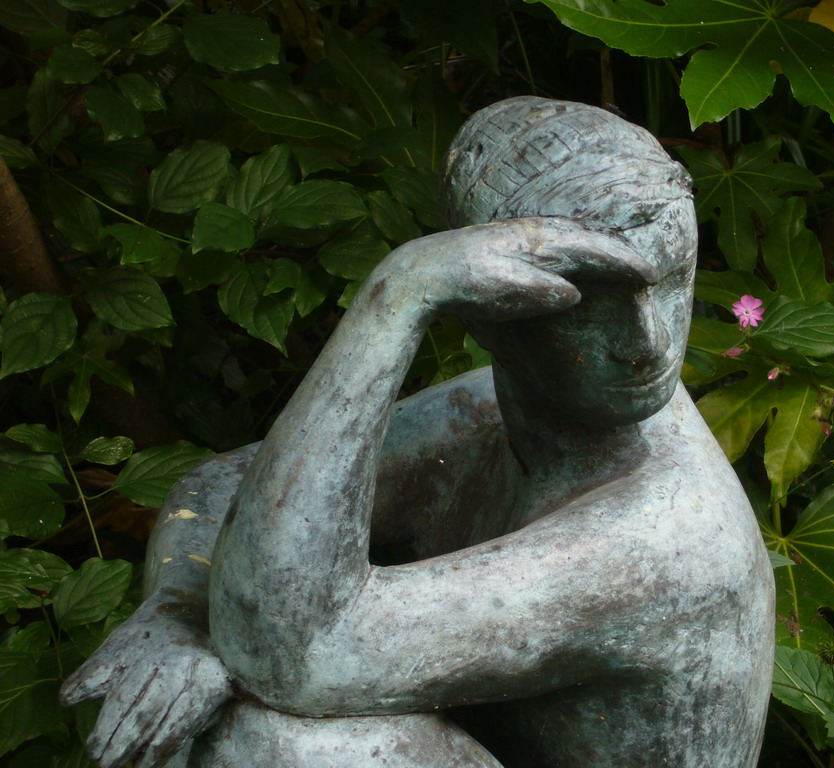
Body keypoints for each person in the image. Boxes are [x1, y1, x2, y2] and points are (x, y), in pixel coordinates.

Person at [61, 97, 774, 768]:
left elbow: (287, 652)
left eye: (673, 279)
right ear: (490, 309)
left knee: (275, 743)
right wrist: (181, 615)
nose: (647, 344)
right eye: (588, 303)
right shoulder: (497, 410)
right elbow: (221, 487)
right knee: (209, 697)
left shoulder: (672, 546)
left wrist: (396, 295)